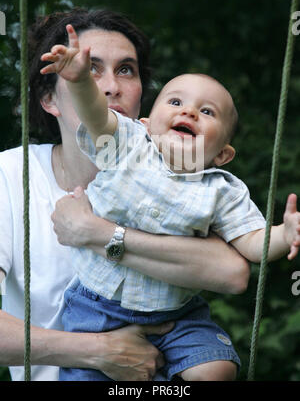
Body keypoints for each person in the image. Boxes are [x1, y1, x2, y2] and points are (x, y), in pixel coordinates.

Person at [0, 8, 250, 382]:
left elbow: (233, 273)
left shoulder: (185, 181)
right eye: (90, 68)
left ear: (142, 103)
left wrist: (95, 234)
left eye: (126, 70)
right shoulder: (8, 175)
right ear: (48, 99)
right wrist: (98, 352)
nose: (111, 86)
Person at [42, 24, 300, 381]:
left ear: (223, 154)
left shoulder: (223, 190)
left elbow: (254, 243)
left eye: (207, 112)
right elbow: (96, 116)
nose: (189, 112)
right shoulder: (127, 147)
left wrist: (286, 233)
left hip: (177, 315)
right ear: (146, 124)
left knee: (218, 367)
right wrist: (80, 81)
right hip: (97, 308)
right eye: (176, 102)